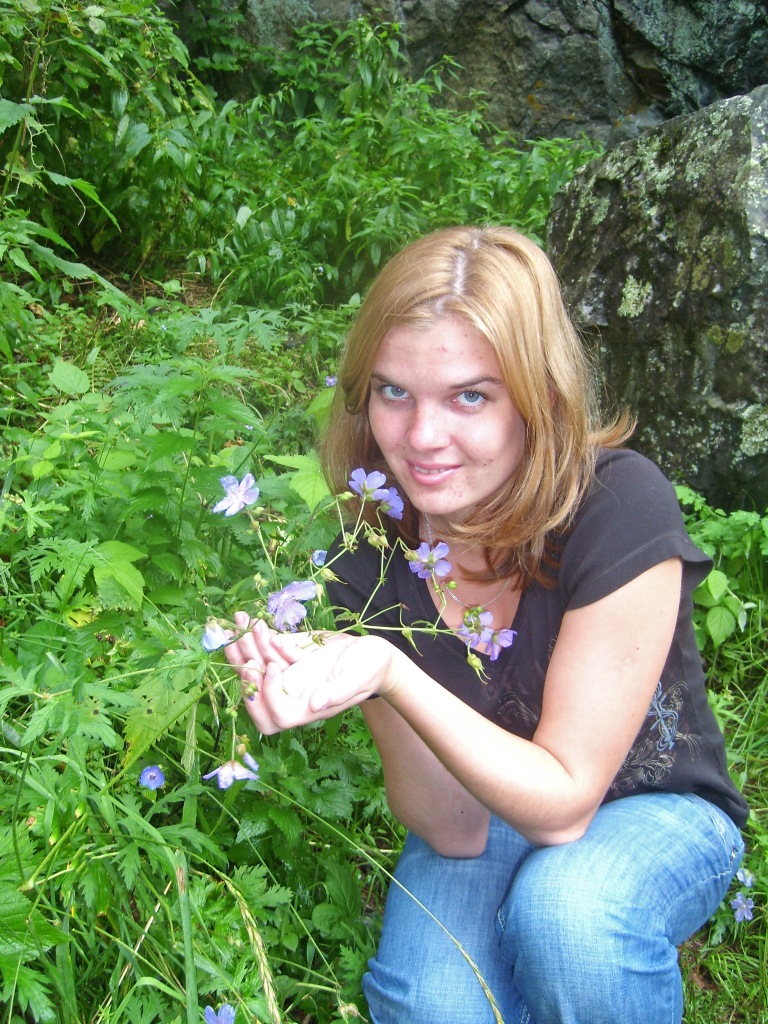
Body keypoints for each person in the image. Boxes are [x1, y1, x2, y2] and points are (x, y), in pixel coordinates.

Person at [224, 226, 748, 1024]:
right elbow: (455, 829)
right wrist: (366, 674)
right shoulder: (369, 555)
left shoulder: (617, 505)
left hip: (655, 807)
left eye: (469, 395)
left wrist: (394, 673)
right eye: (394, 392)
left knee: (569, 915)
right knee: (434, 1003)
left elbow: (566, 802)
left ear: (538, 398)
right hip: (487, 812)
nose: (421, 438)